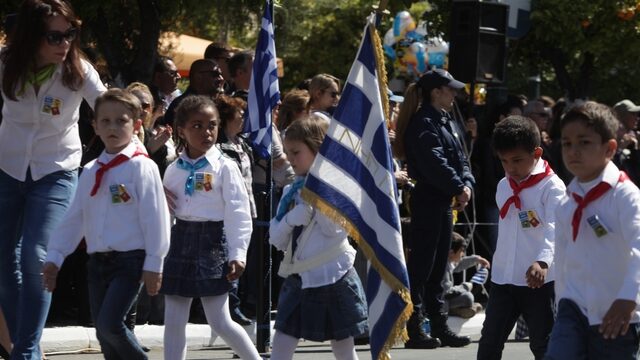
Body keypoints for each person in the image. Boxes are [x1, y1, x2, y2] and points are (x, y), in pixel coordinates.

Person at [0, 1, 106, 358]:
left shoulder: (80, 71)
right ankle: (25, 347)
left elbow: (110, 112)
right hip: (7, 169)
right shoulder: (4, 64)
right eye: (54, 36)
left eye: (70, 34)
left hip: (56, 171)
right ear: (31, 37)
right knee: (2, 259)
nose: (64, 44)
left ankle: (25, 351)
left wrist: (137, 157)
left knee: (36, 255)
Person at [41, 88, 170, 359]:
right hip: (97, 262)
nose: (113, 127)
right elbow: (74, 219)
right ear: (95, 126)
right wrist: (55, 256)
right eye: (106, 121)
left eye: (121, 121)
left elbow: (156, 217)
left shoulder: (140, 167)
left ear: (136, 126)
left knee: (110, 325)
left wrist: (154, 263)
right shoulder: (90, 171)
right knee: (103, 332)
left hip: (130, 260)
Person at [161, 95, 261, 360]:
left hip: (213, 243)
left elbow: (238, 212)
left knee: (219, 320)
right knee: (173, 320)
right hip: (179, 243)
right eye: (197, 125)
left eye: (212, 125)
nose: (206, 132)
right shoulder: (173, 170)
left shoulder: (225, 167)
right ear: (181, 130)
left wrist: (238, 253)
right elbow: (165, 213)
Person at [545, 102, 640, 359]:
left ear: (609, 148)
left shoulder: (625, 195)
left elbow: (639, 249)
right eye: (566, 143)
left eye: (584, 142)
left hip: (616, 310)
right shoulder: (567, 200)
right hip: (572, 308)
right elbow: (563, 255)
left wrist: (630, 297)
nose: (573, 151)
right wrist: (562, 299)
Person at [269, 116, 368, 360]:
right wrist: (293, 217)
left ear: (318, 150)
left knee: (343, 344)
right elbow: (276, 239)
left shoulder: (337, 187)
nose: (290, 159)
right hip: (300, 276)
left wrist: (315, 200)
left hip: (334, 275)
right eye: (288, 152)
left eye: (296, 152)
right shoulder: (291, 190)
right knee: (282, 338)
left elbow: (335, 230)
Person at [394, 69, 474, 348]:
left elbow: (460, 158)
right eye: (449, 89)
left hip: (442, 200)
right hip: (429, 199)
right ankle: (415, 328)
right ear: (435, 92)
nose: (454, 94)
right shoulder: (424, 123)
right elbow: (434, 162)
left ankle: (439, 326)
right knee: (422, 267)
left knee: (438, 268)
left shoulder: (444, 121)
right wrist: (457, 186)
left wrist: (466, 184)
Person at [476, 115, 565, 360]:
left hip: (537, 280)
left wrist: (543, 261)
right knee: (489, 344)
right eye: (504, 161)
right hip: (504, 278)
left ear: (536, 153)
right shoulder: (504, 185)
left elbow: (556, 228)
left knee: (543, 344)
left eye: (517, 160)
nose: (510, 168)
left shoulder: (552, 187)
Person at [214, 94, 255, 326]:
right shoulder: (221, 148)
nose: (243, 119)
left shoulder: (242, 143)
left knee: (243, 257)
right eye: (240, 115)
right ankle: (232, 304)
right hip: (228, 210)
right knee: (230, 258)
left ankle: (237, 302)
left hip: (247, 206)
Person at [161, 59, 225, 128]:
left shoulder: (219, 104)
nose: (221, 78)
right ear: (198, 77)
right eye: (215, 74)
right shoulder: (182, 106)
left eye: (221, 74)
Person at [444, 232, 489, 319]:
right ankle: (454, 311)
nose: (463, 254)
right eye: (461, 251)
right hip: (442, 302)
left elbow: (459, 264)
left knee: (467, 297)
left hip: (446, 299)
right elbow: (446, 292)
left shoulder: (449, 261)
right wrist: (466, 286)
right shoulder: (443, 266)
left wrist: (477, 259)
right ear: (451, 252)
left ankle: (459, 309)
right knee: (468, 297)